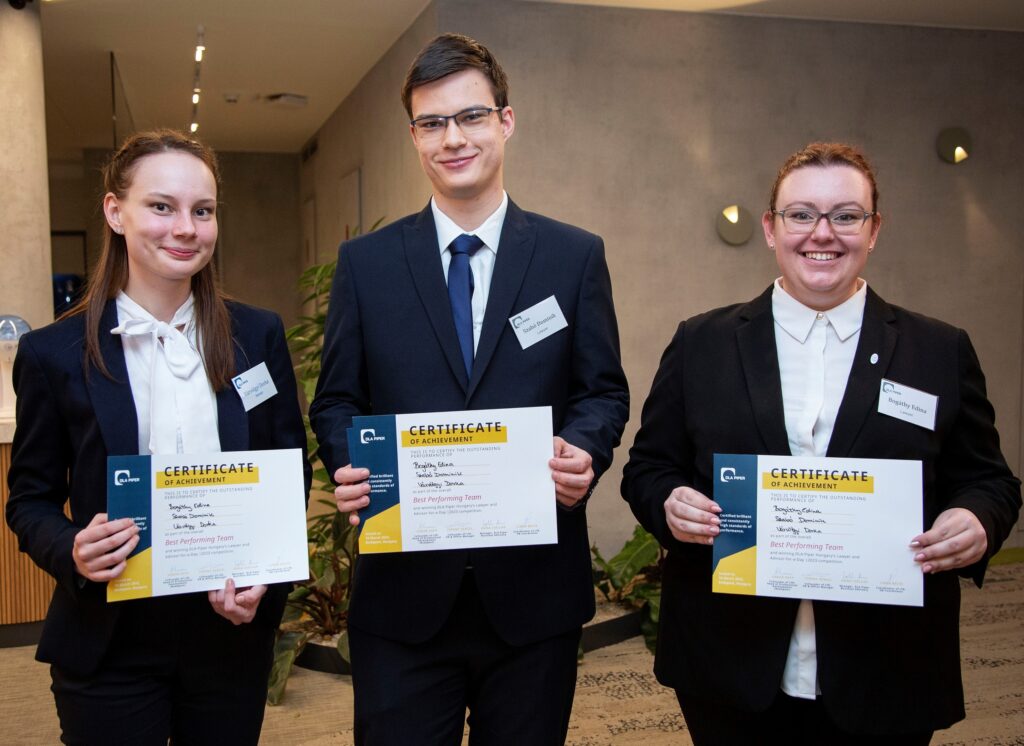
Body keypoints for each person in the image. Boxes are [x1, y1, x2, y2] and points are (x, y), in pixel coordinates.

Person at [621, 142, 1021, 744]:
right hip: (730, 661)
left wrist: (976, 520)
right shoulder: (702, 343)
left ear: (874, 229)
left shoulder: (938, 350)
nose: (822, 233)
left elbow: (990, 481)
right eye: (801, 214)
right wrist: (670, 502)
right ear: (771, 228)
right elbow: (649, 467)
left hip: (887, 665)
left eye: (846, 215)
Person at [309, 33, 629, 745]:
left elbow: (602, 390)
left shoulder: (573, 256)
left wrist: (584, 448)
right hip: (403, 599)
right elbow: (335, 400)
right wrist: (349, 463)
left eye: (471, 116)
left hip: (533, 596)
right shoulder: (366, 265)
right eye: (432, 123)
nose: (453, 138)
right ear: (414, 137)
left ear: (505, 121)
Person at [5, 129, 311, 745]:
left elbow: (288, 473)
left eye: (203, 211)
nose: (186, 229)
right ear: (115, 212)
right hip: (109, 637)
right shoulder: (52, 353)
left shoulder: (257, 336)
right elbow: (29, 501)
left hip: (228, 632)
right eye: (162, 206)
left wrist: (266, 577)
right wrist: (72, 549)